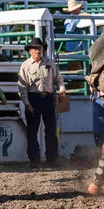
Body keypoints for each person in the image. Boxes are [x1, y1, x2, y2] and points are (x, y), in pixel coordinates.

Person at [17, 37, 67, 166]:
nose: (37, 50)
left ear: (42, 49)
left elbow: (59, 79)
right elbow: (22, 87)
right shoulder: (26, 65)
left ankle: (52, 158)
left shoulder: (50, 63)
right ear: (30, 51)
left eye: (39, 48)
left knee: (50, 129)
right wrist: (26, 103)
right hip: (33, 99)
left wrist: (61, 90)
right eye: (35, 48)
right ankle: (35, 159)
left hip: (48, 98)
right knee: (32, 130)